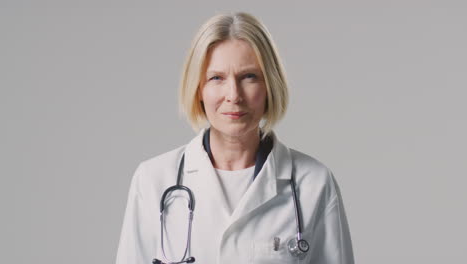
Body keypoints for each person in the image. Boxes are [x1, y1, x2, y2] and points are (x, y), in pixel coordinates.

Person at [116, 12, 354, 264]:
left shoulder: (313, 184)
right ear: (199, 89)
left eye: (249, 76)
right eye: (216, 78)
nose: (233, 95)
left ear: (270, 86)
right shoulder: (153, 180)